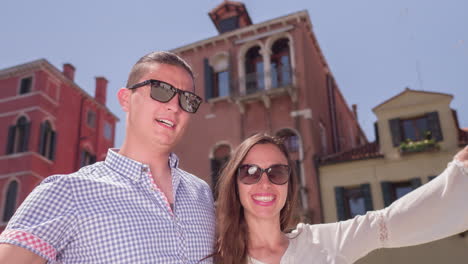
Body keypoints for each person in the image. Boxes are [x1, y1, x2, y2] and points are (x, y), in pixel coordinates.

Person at [0, 51, 215, 263]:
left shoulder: (202, 195)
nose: (174, 106)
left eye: (186, 99)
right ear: (126, 99)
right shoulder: (69, 192)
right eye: (160, 90)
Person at [212, 133, 468, 264]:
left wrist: (459, 173)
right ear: (235, 184)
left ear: (289, 185)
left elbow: (388, 223)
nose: (265, 183)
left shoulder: (323, 241)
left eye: (277, 172)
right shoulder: (217, 259)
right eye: (251, 172)